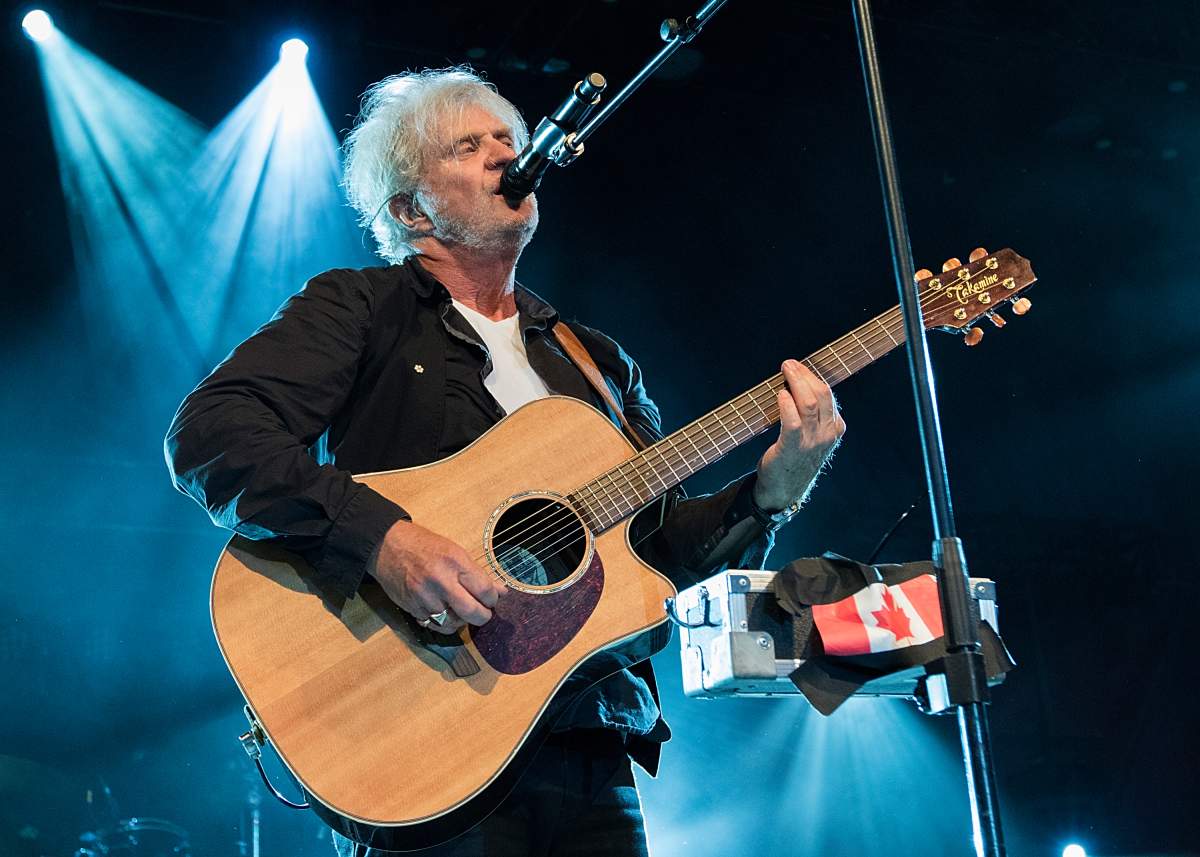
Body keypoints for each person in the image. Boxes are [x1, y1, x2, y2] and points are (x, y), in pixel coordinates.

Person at [164, 67, 845, 857]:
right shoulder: (361, 307)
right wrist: (383, 539)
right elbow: (212, 432)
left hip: (593, 753)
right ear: (410, 208)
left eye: (507, 141)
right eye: (469, 144)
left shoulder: (594, 362)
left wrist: (775, 490)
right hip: (425, 747)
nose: (503, 155)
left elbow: (657, 558)